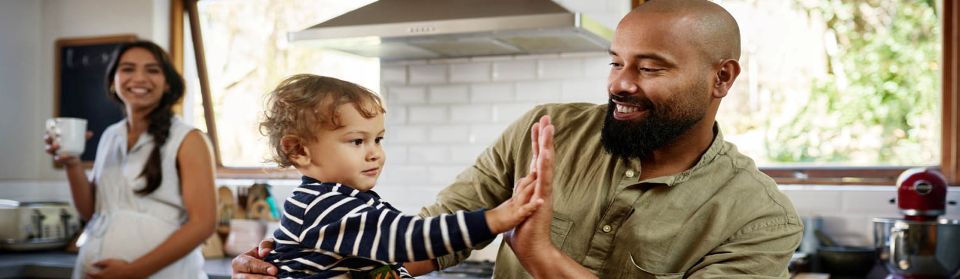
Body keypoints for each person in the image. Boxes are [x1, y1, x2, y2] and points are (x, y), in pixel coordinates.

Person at [233, 0, 803, 278]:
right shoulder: (546, 128)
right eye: (616, 63)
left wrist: (543, 258)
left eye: (650, 68)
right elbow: (436, 232)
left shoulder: (760, 219)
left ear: (721, 78)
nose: (621, 85)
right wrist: (319, 265)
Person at [256, 74, 550, 278]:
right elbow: (407, 238)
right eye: (357, 141)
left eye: (378, 140)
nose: (374, 153)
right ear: (298, 150)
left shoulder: (346, 200)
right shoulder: (323, 207)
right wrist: (496, 219)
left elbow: (382, 266)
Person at [44, 40, 217, 279]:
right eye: (127, 69)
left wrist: (133, 272)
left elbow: (203, 224)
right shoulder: (110, 136)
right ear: (113, 81)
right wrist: (72, 163)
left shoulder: (189, 139)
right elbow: (92, 211)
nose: (139, 78)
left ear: (167, 84)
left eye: (152, 70)